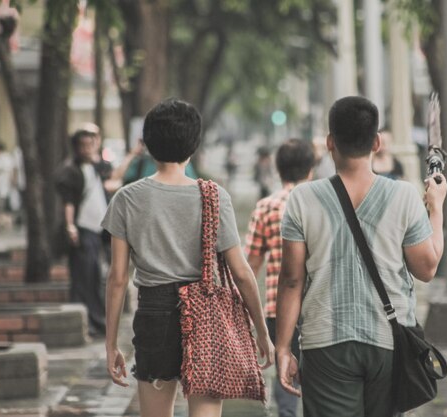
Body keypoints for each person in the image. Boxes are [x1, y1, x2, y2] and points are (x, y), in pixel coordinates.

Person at [275, 96, 447, 417]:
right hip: (389, 340)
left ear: (329, 143)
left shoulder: (302, 199)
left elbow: (291, 280)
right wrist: (435, 208)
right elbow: (427, 267)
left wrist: (284, 347)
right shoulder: (404, 196)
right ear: (377, 142)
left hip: (325, 341)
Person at [101, 98, 274, 417]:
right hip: (206, 311)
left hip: (154, 313)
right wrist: (261, 330)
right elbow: (241, 271)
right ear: (193, 146)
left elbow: (117, 279)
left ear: (148, 145)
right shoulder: (214, 196)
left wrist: (111, 344)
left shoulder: (127, 198)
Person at [245, 138, 315, 417]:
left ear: (278, 169)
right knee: (321, 380)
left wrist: (248, 313)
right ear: (310, 170)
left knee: (285, 374)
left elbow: (250, 265)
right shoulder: (324, 203)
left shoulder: (266, 207)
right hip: (318, 306)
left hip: (278, 307)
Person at [54, 129, 112, 336]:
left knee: (95, 276)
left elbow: (114, 178)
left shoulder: (96, 168)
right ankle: (92, 322)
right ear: (76, 147)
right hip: (82, 230)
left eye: (91, 144)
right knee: (84, 277)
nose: (88, 149)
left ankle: (95, 321)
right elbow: (68, 202)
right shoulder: (71, 170)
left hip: (97, 230)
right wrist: (70, 226)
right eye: (84, 145)